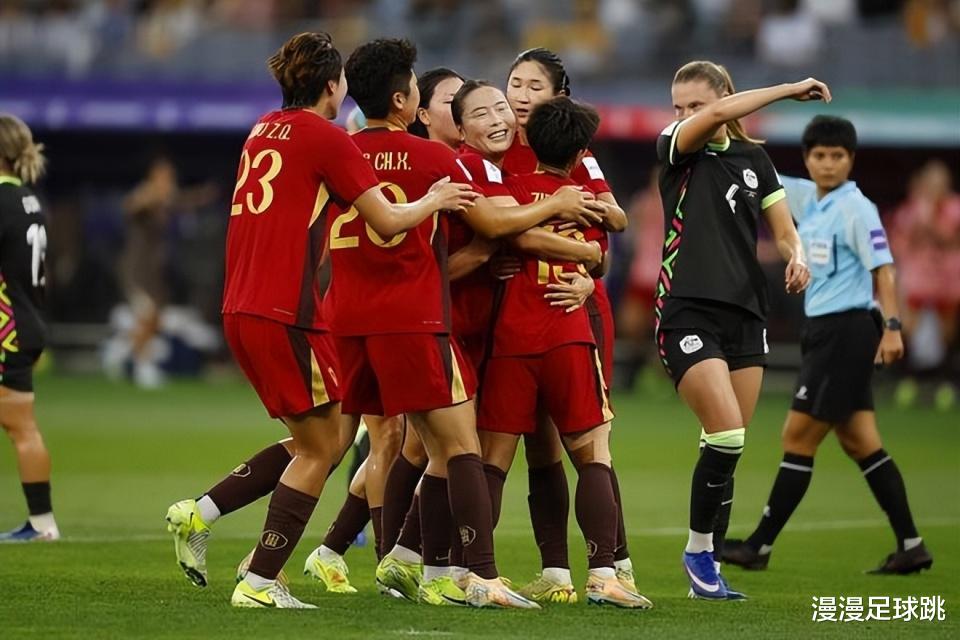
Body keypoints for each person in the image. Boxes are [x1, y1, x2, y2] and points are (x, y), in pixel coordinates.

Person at [163, 31, 476, 609]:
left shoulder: (262, 130)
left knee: (321, 440)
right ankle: (260, 581)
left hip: (242, 305)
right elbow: (387, 221)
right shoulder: (329, 139)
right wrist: (434, 199)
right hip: (288, 310)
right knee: (321, 449)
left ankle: (203, 514)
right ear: (332, 86)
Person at [317, 38, 599, 609]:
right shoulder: (443, 162)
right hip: (425, 321)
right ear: (410, 104)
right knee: (454, 447)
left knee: (383, 445)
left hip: (352, 316)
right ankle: (467, 573)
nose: (502, 114)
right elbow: (493, 227)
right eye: (460, 105)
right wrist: (562, 218)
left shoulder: (343, 152)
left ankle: (378, 558)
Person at [722, 115, 933, 575]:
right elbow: (761, 173)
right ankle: (912, 545)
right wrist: (725, 124)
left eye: (838, 156)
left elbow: (884, 269)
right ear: (807, 158)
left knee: (797, 436)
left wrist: (892, 327)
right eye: (820, 155)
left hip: (847, 330)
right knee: (861, 442)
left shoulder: (857, 208)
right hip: (823, 332)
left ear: (851, 160)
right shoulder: (806, 198)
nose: (828, 163)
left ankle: (758, 546)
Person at [654, 60, 822, 599]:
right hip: (687, 309)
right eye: (677, 106)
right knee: (726, 433)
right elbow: (718, 117)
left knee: (726, 443)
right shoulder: (676, 147)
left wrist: (797, 257)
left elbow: (785, 230)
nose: (684, 115)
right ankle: (699, 551)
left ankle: (709, 572)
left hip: (746, 315)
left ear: (723, 97)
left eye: (695, 105)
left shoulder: (755, 161)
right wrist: (790, 88)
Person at [477, 96, 652, 609]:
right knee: (592, 454)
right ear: (579, 154)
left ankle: (477, 573)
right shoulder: (583, 198)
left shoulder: (509, 190)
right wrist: (588, 263)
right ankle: (604, 575)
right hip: (568, 334)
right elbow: (603, 256)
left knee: (492, 462)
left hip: (511, 337)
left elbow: (504, 236)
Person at [0, 114, 59, 543]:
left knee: (20, 426)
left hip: (6, 328)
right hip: (26, 322)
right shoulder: (29, 200)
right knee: (23, 426)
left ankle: (42, 525)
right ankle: (41, 523)